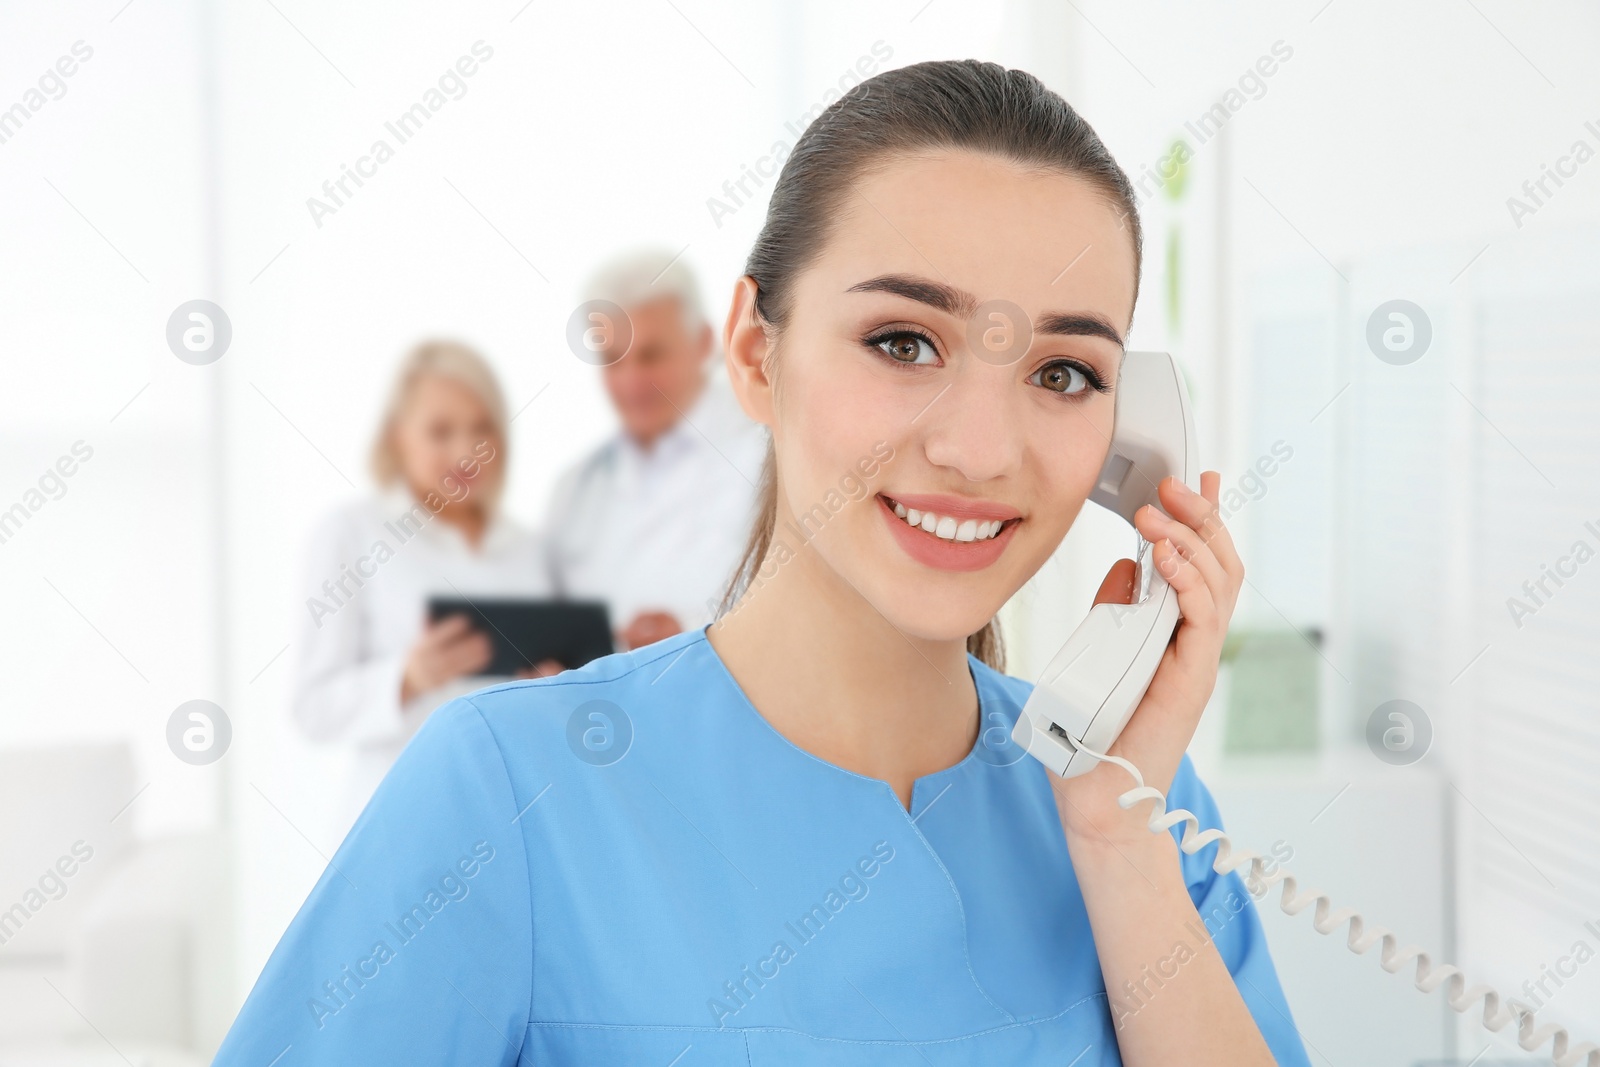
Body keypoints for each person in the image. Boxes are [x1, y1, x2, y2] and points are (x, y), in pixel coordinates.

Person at [217, 61, 1310, 1065]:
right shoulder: (504, 787)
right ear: (753, 350)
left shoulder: (1133, 801)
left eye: (1064, 372)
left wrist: (1118, 841)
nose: (979, 450)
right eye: (903, 342)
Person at [289, 340, 553, 832]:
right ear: (397, 437)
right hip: (400, 822)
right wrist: (406, 677)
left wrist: (551, 688)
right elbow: (312, 708)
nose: (465, 451)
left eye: (481, 428)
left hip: (512, 822)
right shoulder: (352, 534)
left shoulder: (530, 550)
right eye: (440, 431)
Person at [545, 248, 767, 650]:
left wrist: (692, 632)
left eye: (650, 356)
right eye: (612, 361)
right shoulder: (575, 489)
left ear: (702, 343)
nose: (631, 382)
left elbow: (809, 607)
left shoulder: (768, 451)